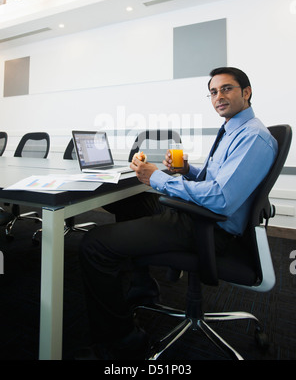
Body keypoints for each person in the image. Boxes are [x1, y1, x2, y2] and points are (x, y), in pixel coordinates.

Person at [78, 67, 278, 360]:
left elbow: (221, 199)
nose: (218, 97)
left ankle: (122, 341)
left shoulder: (253, 136)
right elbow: (217, 180)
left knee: (94, 244)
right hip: (204, 217)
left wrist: (157, 178)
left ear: (246, 92)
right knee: (134, 206)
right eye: (213, 92)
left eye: (227, 89)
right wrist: (187, 171)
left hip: (211, 227)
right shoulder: (235, 130)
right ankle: (143, 289)